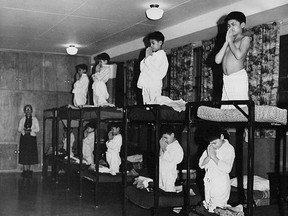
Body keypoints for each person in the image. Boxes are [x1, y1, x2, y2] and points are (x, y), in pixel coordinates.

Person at [215, 11, 251, 109]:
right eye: (228, 26)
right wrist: (226, 42)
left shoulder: (245, 38)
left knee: (240, 109)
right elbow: (217, 60)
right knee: (226, 109)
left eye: (233, 25)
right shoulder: (229, 42)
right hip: (226, 79)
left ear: (242, 25)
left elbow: (239, 55)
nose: (230, 28)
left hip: (237, 77)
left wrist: (230, 42)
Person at [198, 127, 235, 213]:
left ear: (221, 137)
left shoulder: (229, 149)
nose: (213, 146)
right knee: (208, 206)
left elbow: (227, 168)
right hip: (209, 181)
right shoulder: (210, 147)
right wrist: (209, 156)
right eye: (210, 144)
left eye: (215, 143)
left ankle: (235, 211)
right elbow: (201, 165)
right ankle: (236, 210)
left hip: (220, 183)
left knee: (216, 209)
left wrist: (214, 157)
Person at [137, 31, 169, 104]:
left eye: (153, 43)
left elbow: (154, 67)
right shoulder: (152, 55)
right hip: (146, 84)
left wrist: (148, 57)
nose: (151, 45)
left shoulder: (161, 55)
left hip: (154, 85)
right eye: (150, 43)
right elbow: (142, 68)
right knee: (146, 105)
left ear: (160, 43)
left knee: (154, 105)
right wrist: (147, 57)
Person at [159, 126, 184, 192]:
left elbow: (170, 158)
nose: (165, 140)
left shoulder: (176, 147)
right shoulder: (168, 145)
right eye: (163, 138)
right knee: (161, 187)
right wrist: (162, 147)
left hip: (169, 171)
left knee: (169, 188)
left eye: (166, 137)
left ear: (172, 135)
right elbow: (161, 156)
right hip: (162, 170)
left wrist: (163, 147)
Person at [18, 104, 40, 178]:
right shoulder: (22, 119)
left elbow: (38, 129)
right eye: (26, 109)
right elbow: (19, 128)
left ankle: (30, 171)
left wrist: (31, 130)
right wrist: (24, 131)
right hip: (24, 138)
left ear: (31, 111)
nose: (28, 111)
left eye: (29, 109)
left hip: (31, 139)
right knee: (24, 154)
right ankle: (25, 171)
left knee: (31, 154)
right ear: (24, 111)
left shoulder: (35, 119)